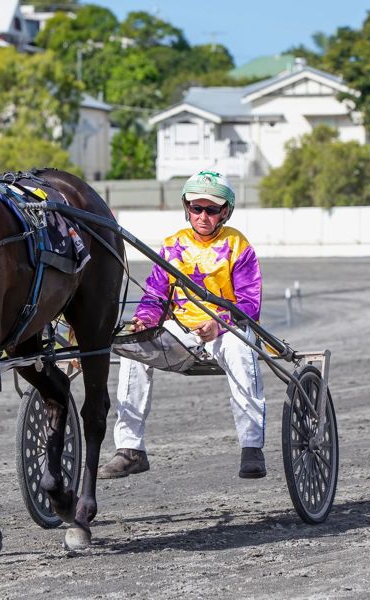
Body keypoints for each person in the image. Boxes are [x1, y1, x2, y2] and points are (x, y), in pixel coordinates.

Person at [98, 170, 267, 480]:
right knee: (133, 351)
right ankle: (130, 449)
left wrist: (219, 325)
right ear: (187, 208)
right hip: (182, 331)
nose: (203, 216)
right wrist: (145, 320)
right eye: (196, 208)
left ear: (225, 211)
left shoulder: (237, 245)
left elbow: (250, 304)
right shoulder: (172, 245)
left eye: (211, 209)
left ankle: (251, 447)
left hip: (227, 330)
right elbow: (155, 296)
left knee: (240, 350)